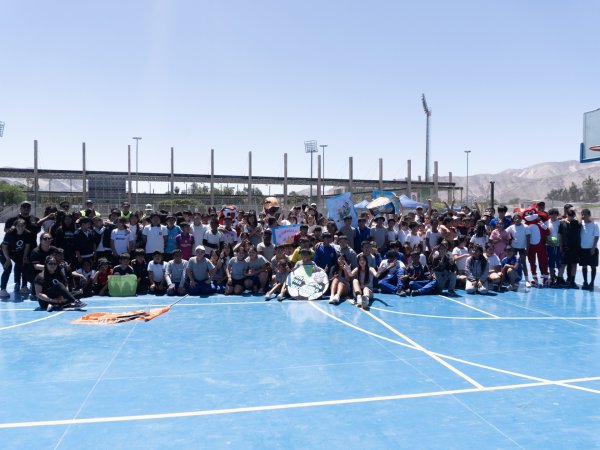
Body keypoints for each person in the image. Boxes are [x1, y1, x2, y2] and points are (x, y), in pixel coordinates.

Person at [1, 219, 35, 297]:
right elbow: (4, 246)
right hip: (4, 252)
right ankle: (2, 289)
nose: (20, 227)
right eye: (18, 226)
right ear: (15, 226)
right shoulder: (10, 233)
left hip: (16, 252)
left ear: (25, 226)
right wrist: (8, 259)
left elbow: (27, 246)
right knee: (8, 267)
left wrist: (24, 256)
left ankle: (24, 286)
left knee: (24, 264)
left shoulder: (27, 233)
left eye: (22, 225)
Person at [557, 208, 581, 289]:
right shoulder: (562, 223)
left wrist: (576, 211)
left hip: (575, 247)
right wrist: (560, 246)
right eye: (569, 215)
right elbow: (560, 235)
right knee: (563, 264)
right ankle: (559, 280)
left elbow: (580, 221)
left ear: (574, 216)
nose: (570, 217)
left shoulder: (576, 223)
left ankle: (572, 281)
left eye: (572, 215)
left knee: (574, 264)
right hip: (565, 247)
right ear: (567, 215)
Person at [506, 213, 530, 287]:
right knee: (513, 264)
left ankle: (527, 280)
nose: (517, 220)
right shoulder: (511, 227)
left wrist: (527, 249)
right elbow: (505, 233)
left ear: (521, 219)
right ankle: (514, 279)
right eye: (515, 218)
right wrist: (509, 239)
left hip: (522, 248)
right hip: (514, 248)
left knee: (523, 263)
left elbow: (528, 238)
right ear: (513, 220)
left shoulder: (526, 226)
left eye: (518, 218)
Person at [579, 208, 599, 291]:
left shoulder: (594, 225)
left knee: (593, 266)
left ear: (589, 215)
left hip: (592, 249)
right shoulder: (580, 224)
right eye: (582, 214)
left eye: (585, 214)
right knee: (584, 266)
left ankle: (592, 282)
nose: (583, 216)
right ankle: (585, 282)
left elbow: (596, 237)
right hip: (583, 249)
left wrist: (593, 248)